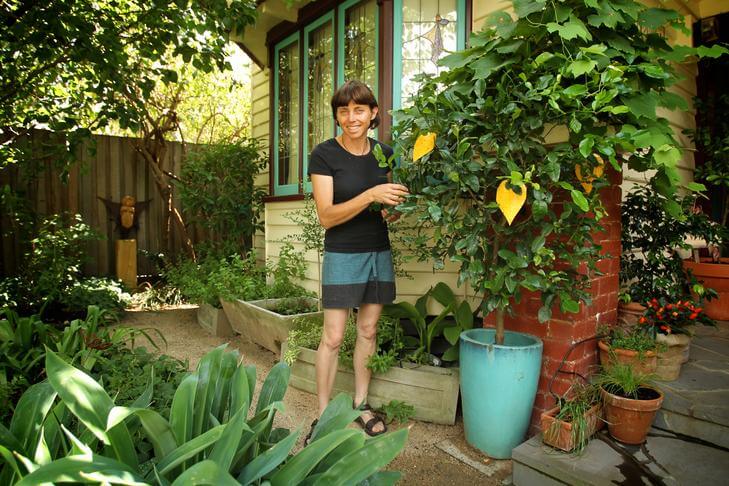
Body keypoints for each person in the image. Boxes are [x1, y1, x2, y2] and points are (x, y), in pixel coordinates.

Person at [306, 80, 409, 442]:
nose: (352, 117)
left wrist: (390, 209)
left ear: (373, 114)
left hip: (377, 251)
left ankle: (361, 404)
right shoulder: (324, 155)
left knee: (368, 331)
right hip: (342, 253)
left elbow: (385, 205)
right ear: (338, 116)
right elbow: (327, 216)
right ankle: (322, 416)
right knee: (333, 338)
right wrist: (370, 194)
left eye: (359, 110)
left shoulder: (385, 153)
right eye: (344, 110)